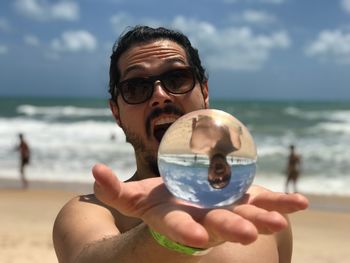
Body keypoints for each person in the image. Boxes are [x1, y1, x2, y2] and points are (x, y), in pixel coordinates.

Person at [53, 26, 308, 263]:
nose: (159, 95)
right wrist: (164, 236)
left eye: (176, 78)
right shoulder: (89, 211)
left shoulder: (263, 216)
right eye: (136, 87)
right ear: (116, 112)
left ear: (204, 93)